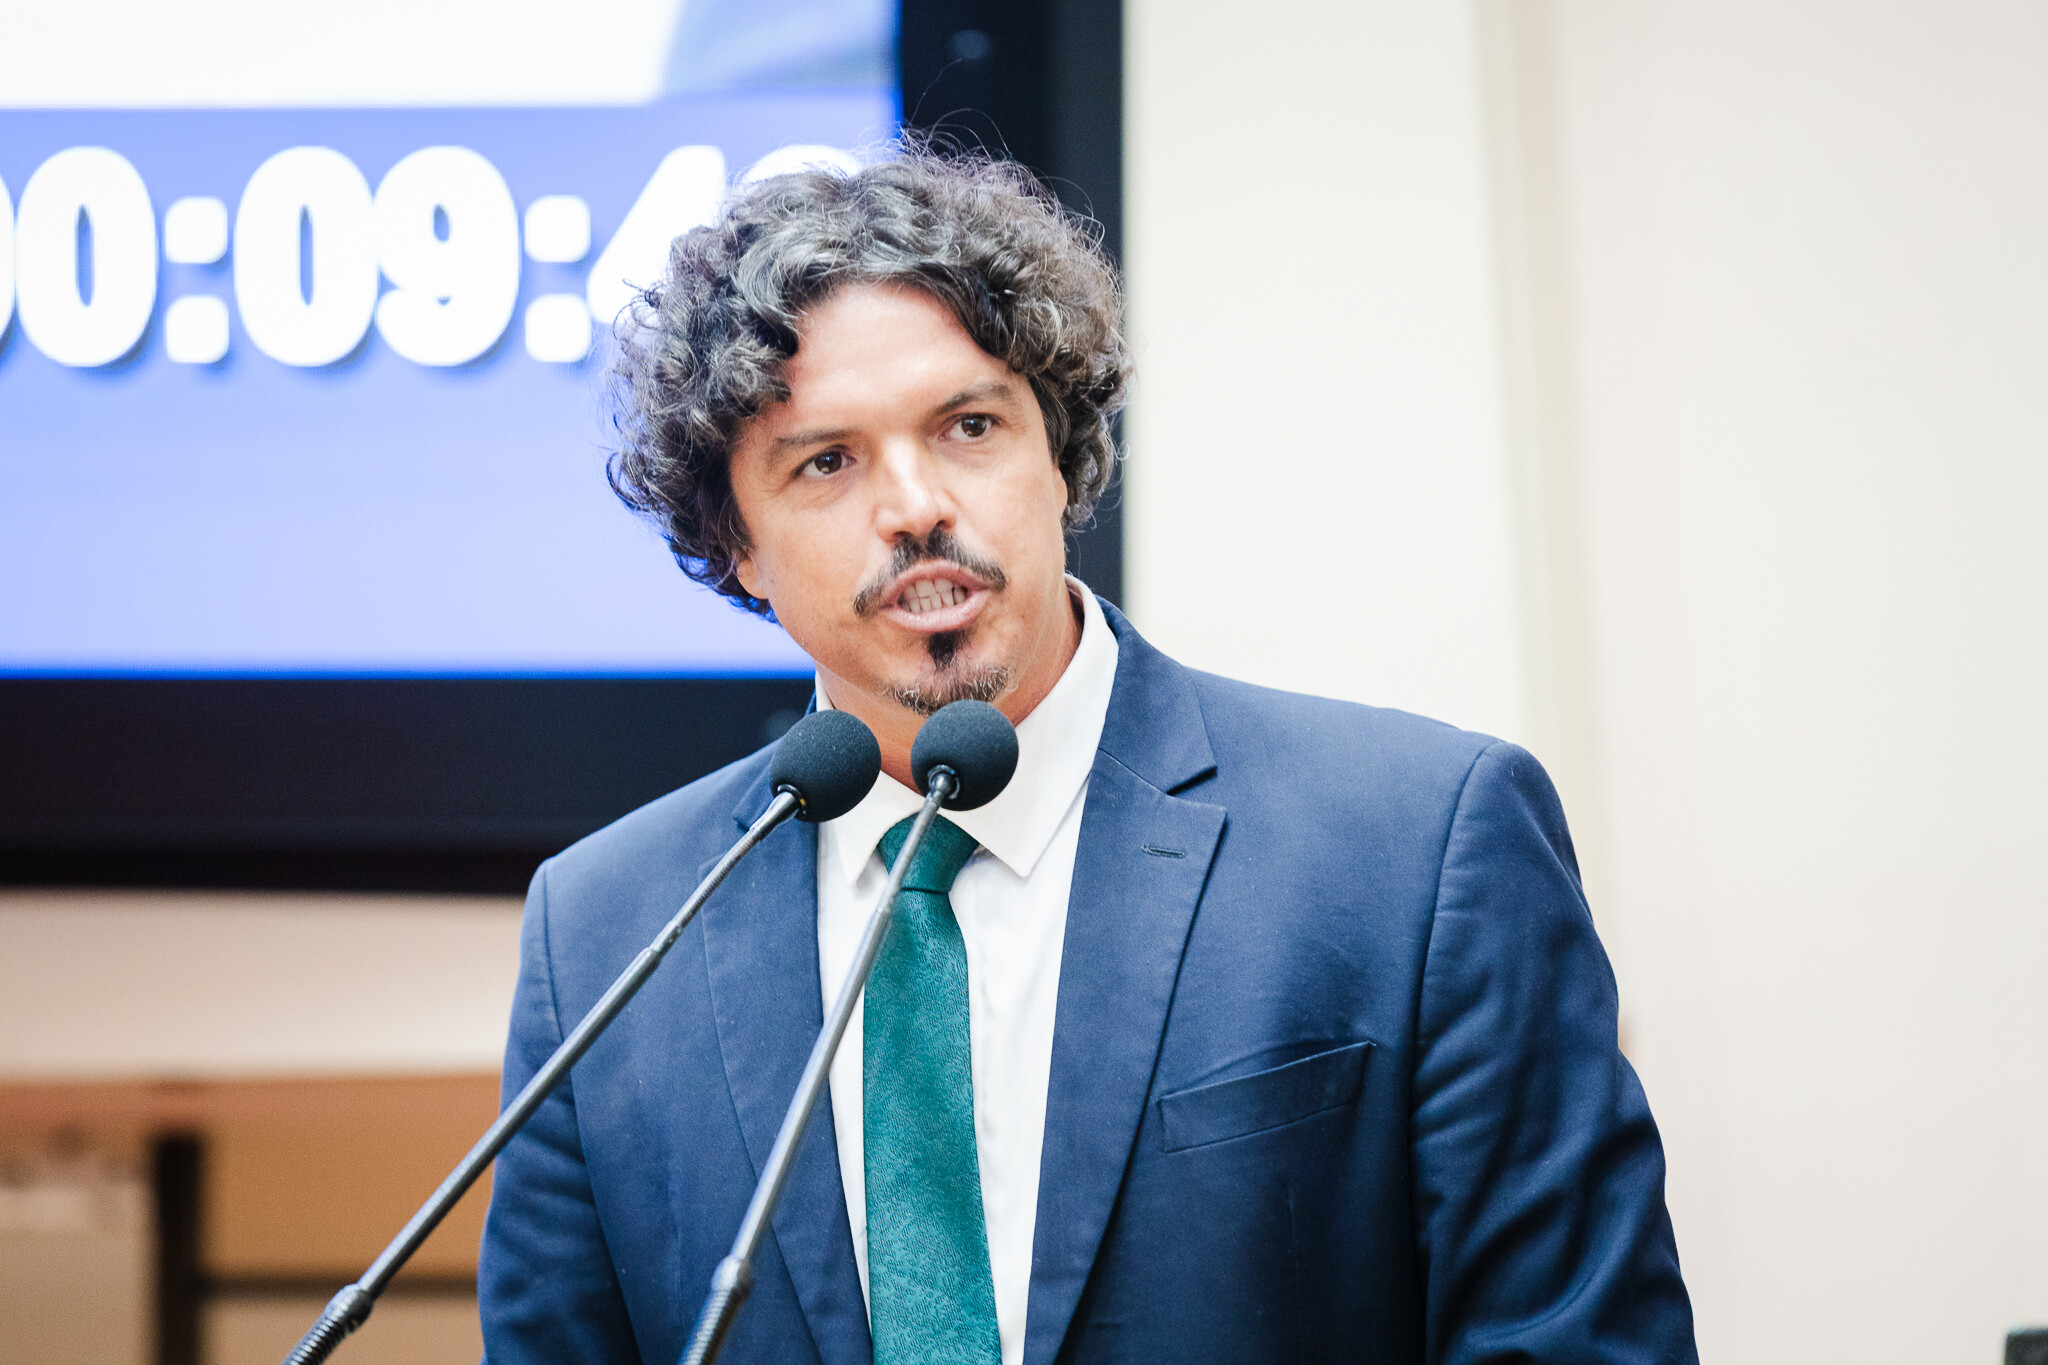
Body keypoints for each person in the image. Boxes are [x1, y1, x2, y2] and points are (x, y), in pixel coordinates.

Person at [479, 150, 1697, 1365]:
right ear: (735, 541)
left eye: (968, 426)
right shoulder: (604, 937)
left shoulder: (1416, 848)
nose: (913, 506)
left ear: (1058, 453)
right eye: (825, 461)